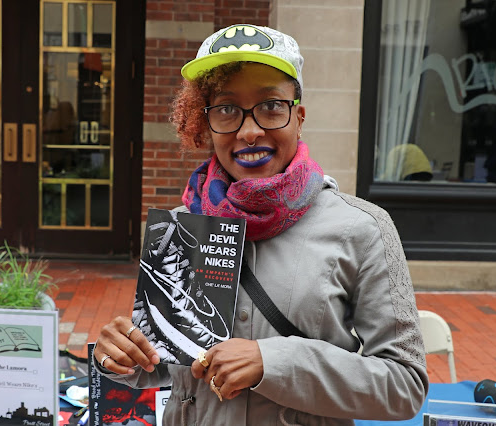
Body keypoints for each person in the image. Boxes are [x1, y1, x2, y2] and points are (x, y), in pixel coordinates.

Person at [94, 24, 428, 425]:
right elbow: (166, 363)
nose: (249, 131)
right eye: (227, 109)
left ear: (298, 117)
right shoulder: (180, 227)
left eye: (271, 106)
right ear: (205, 122)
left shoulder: (363, 229)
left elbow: (404, 386)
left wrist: (275, 363)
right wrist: (121, 355)